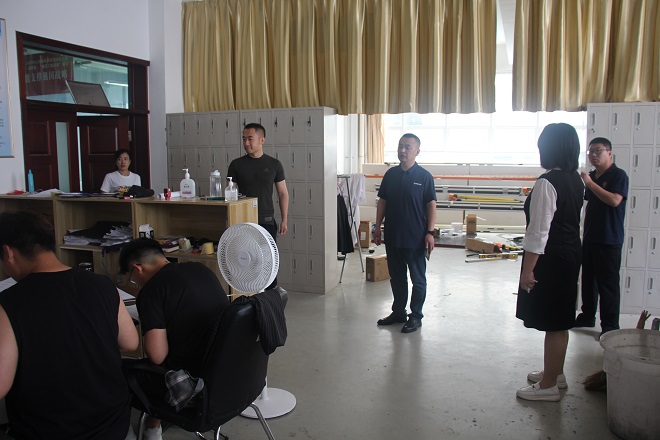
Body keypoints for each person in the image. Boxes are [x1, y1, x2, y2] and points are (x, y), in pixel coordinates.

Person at [0, 210, 139, 439]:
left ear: (8, 252)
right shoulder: (102, 285)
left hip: (49, 431)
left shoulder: (8, 304)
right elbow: (130, 342)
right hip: (114, 427)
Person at [118, 238, 229, 440]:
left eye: (132, 278)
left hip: (191, 383)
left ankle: (125, 432)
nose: (135, 283)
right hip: (225, 374)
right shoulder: (201, 270)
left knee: (120, 370)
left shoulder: (151, 291)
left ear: (137, 269)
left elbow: (157, 356)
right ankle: (152, 426)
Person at [515, 123, 584, 402]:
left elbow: (538, 232)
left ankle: (548, 386)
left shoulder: (547, 182)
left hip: (551, 257)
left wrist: (528, 270)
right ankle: (556, 373)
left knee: (554, 322)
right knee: (561, 318)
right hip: (569, 253)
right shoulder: (575, 179)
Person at [374, 133, 437, 334]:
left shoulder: (424, 177)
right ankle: (398, 312)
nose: (403, 150)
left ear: (417, 151)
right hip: (393, 236)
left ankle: (416, 316)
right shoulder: (390, 175)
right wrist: (377, 227)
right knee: (397, 277)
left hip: (415, 238)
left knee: (418, 279)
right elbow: (383, 202)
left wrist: (430, 233)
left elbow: (431, 205)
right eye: (400, 146)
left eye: (408, 147)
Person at [575, 137, 629, 336]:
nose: (594, 155)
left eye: (598, 150)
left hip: (609, 239)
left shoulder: (618, 175)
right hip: (590, 237)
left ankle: (610, 326)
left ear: (609, 153)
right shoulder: (592, 176)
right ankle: (587, 316)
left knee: (608, 285)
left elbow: (614, 200)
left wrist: (590, 184)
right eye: (591, 151)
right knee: (588, 281)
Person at [227, 122, 289, 289]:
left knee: (268, 262)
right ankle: (248, 296)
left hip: (266, 221)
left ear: (262, 140)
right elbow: (230, 194)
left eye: (250, 139)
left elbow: (283, 193)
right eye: (244, 139)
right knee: (244, 262)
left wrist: (284, 219)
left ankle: (269, 298)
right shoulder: (236, 165)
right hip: (243, 222)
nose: (246, 143)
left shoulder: (274, 164)